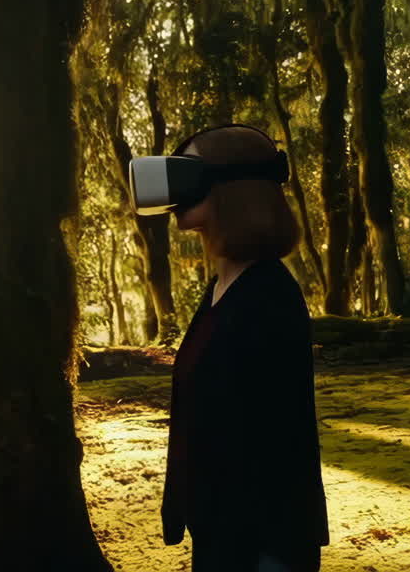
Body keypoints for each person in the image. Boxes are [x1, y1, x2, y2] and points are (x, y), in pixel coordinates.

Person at [158, 124, 330, 572]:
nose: (175, 193)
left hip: (262, 543)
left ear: (234, 191)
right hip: (221, 530)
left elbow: (276, 439)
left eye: (187, 176)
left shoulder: (267, 294)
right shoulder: (221, 288)